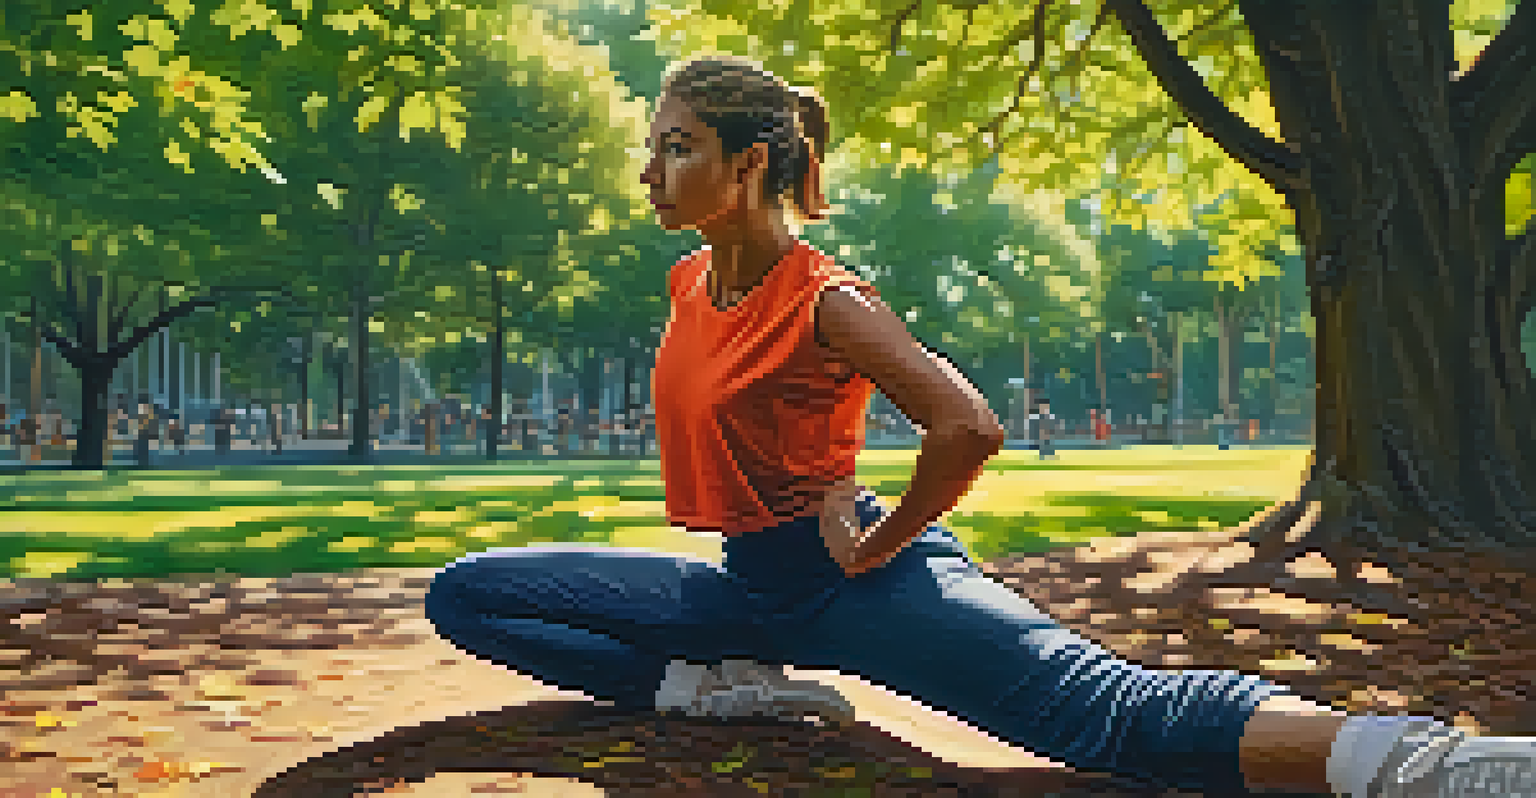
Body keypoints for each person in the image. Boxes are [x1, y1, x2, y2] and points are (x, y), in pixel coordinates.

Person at [421, 56, 1532, 798]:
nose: (650, 171)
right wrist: (702, 675)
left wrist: (883, 541)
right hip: (746, 591)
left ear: (748, 162)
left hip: (860, 588)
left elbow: (967, 426)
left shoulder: (828, 301)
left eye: (675, 147)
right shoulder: (686, 284)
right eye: (655, 146)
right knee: (469, 595)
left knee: (1109, 716)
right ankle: (716, 689)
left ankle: (1430, 769)